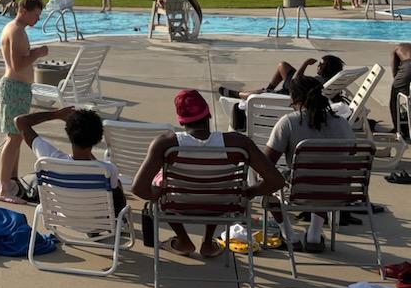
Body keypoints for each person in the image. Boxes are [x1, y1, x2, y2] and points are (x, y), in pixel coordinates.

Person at [133, 90, 284, 258]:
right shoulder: (237, 143)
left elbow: (139, 188)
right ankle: (207, 242)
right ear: (208, 113)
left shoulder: (165, 144)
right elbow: (276, 181)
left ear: (180, 119)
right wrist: (248, 193)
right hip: (223, 205)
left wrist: (159, 195)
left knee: (161, 184)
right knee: (215, 188)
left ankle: (183, 240)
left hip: (178, 205)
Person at [264, 74, 355, 252]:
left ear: (294, 97)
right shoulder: (342, 124)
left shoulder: (289, 122)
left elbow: (266, 164)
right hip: (339, 192)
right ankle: (314, 235)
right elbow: (350, 157)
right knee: (323, 174)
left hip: (302, 192)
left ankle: (288, 234)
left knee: (263, 178)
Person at [15, 106, 126, 215]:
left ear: (69, 133)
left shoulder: (50, 159)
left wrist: (55, 114)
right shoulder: (108, 169)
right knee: (117, 186)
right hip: (100, 223)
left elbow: (20, 121)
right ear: (98, 138)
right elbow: (120, 202)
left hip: (63, 218)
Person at [0, 0, 47, 202]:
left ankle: (11, 180)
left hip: (18, 88)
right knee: (13, 137)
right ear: (24, 10)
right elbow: (18, 65)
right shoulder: (16, 31)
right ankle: (4, 187)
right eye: (35, 15)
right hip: (14, 87)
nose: (37, 19)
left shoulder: (15, 29)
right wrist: (38, 53)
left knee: (15, 136)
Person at [219, 55, 345, 101]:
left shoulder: (320, 80)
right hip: (301, 90)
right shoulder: (326, 79)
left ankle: (237, 94)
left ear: (327, 68)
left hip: (293, 93)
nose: (318, 65)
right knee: (283, 65)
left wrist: (305, 63)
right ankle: (269, 89)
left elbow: (296, 81)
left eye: (321, 64)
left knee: (262, 94)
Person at [389, 43, 411, 136]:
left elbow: (394, 67)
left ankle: (397, 128)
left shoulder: (398, 48)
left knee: (394, 98)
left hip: (407, 68)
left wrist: (396, 79)